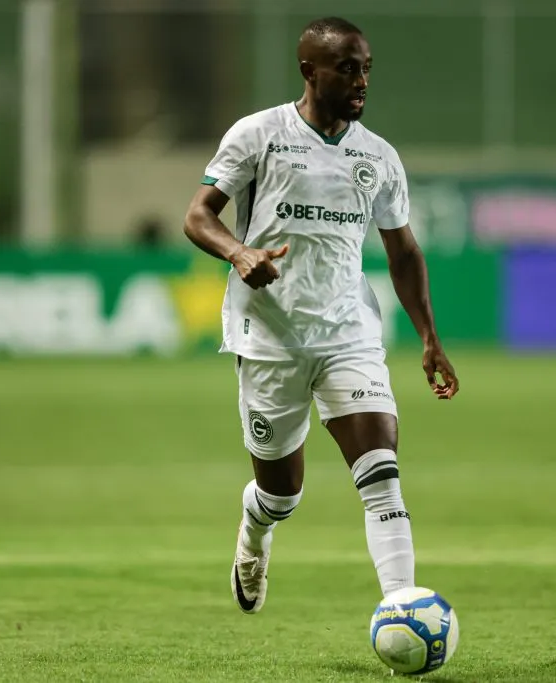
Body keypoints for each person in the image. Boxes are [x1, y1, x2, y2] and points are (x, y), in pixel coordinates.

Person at [183, 17, 459, 614]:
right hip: (270, 338)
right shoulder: (259, 135)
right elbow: (198, 215)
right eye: (348, 68)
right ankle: (255, 532)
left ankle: (402, 606)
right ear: (310, 71)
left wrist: (429, 336)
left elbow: (403, 250)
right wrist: (239, 252)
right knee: (282, 494)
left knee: (381, 471)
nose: (361, 81)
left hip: (347, 334)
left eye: (366, 69)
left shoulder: (378, 157)